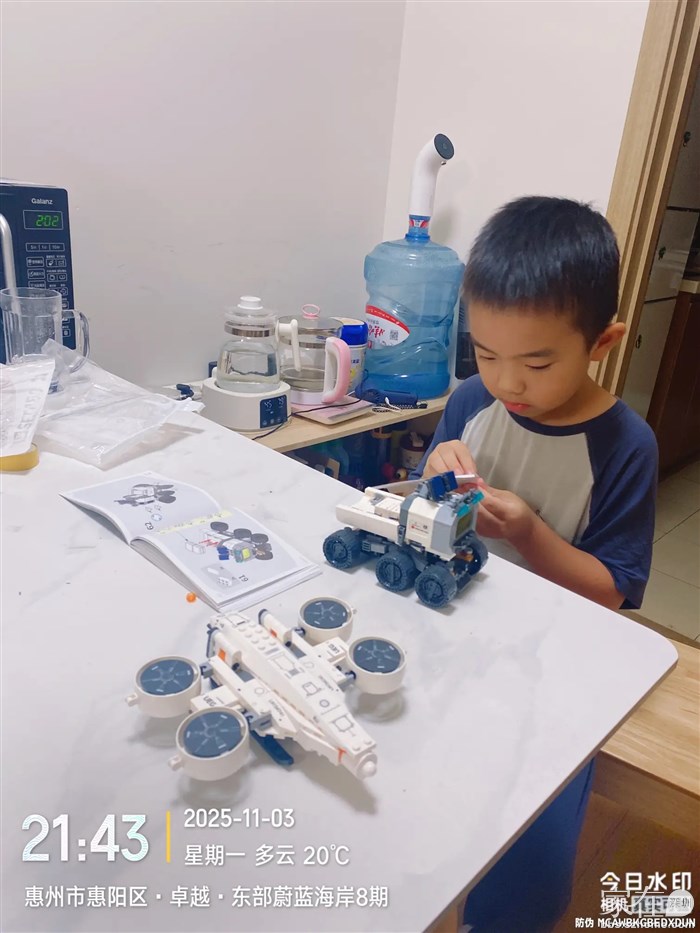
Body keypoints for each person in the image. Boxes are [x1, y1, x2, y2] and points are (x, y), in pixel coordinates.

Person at [412, 196, 658, 932]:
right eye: (486, 354)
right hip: (455, 641)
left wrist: (529, 534)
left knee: (530, 856)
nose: (507, 383)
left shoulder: (625, 446)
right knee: (432, 807)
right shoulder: (470, 401)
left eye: (537, 362)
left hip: (557, 672)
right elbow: (426, 510)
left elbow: (612, 592)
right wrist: (432, 479)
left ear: (602, 342)